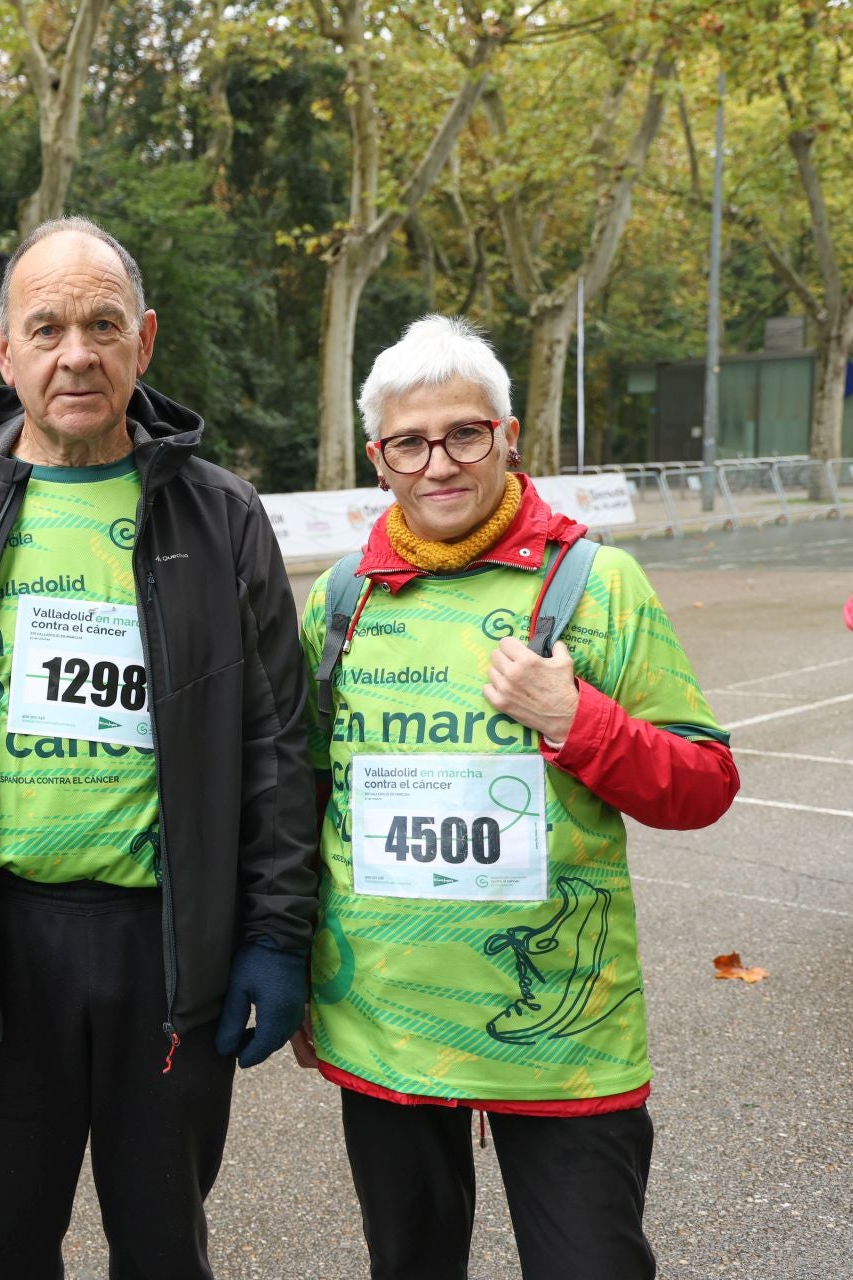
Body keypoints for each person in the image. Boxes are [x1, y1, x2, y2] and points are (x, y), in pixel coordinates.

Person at [0, 216, 319, 1278]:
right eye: (46, 326)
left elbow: (276, 744)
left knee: (164, 1247)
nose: (76, 353)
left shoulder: (224, 516)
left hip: (169, 954)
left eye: (103, 325)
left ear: (144, 341)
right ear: (3, 351)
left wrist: (276, 934)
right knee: (5, 1249)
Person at [292, 315, 739, 1280]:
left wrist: (576, 720)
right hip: (388, 1028)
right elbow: (299, 800)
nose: (439, 464)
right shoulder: (338, 601)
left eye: (465, 434)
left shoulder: (598, 585)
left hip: (565, 1041)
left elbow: (704, 783)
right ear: (379, 460)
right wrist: (289, 966)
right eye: (409, 443)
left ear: (509, 436)